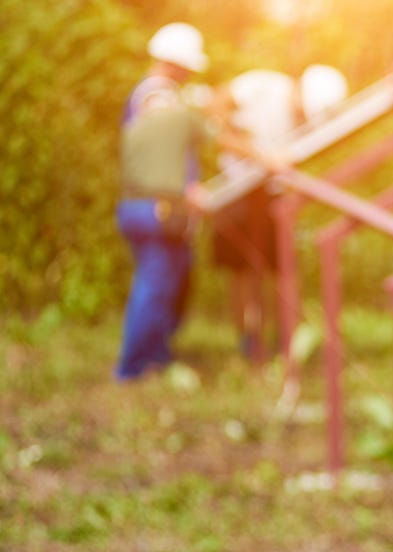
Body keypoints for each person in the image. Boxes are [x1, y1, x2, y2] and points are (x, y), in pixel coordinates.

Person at [209, 65, 346, 360]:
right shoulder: (263, 86)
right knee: (243, 267)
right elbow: (215, 113)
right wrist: (255, 153)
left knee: (278, 266)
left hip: (273, 193)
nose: (302, 117)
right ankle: (247, 339)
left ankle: (280, 337)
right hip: (238, 187)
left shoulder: (309, 118)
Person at [114, 22, 209, 380]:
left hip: (156, 206)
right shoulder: (157, 98)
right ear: (175, 62)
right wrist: (185, 189)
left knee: (172, 279)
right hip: (153, 207)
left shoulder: (153, 96)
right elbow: (161, 157)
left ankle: (155, 355)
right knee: (155, 284)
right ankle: (131, 368)